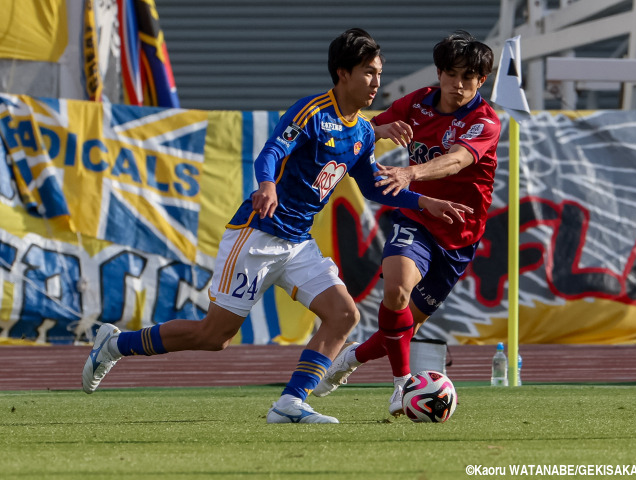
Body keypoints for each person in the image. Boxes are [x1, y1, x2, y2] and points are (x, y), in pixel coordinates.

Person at [82, 28, 472, 424]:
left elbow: (373, 185)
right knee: (214, 337)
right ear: (342, 73)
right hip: (258, 235)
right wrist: (266, 186)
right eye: (368, 73)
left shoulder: (363, 130)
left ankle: (290, 403)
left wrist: (424, 201)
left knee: (344, 315)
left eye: (378, 73)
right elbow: (271, 151)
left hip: (298, 244)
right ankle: (115, 345)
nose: (376, 82)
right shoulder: (313, 112)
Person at [313, 30, 501, 416]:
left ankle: (350, 359)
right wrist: (377, 130)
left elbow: (457, 161)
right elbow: (362, 131)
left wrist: (410, 172)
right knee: (396, 290)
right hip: (416, 217)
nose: (458, 84)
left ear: (482, 81)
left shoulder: (485, 120)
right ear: (439, 73)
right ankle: (402, 387)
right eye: (451, 74)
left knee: (398, 329)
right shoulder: (416, 103)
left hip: (459, 237)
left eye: (469, 77)